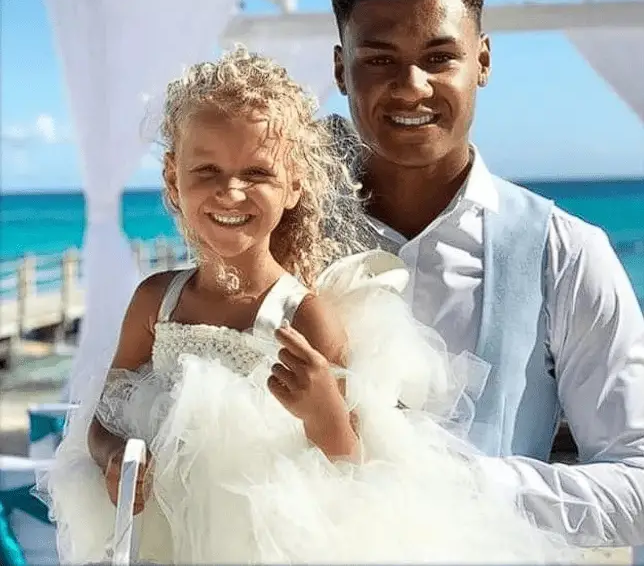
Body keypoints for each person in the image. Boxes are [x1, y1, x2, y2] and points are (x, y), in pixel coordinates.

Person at [40, 48, 579, 565]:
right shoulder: (156, 301)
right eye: (206, 170)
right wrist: (113, 456)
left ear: (293, 184)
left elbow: (351, 463)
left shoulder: (302, 317)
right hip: (164, 538)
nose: (230, 192)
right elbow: (102, 416)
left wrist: (323, 410)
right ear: (172, 180)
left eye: (256, 173)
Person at [328, 0, 644, 548]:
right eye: (379, 59)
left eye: (440, 57)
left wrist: (458, 484)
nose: (412, 85)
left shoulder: (567, 253)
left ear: (484, 63)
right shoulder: (284, 237)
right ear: (342, 70)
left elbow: (636, 486)